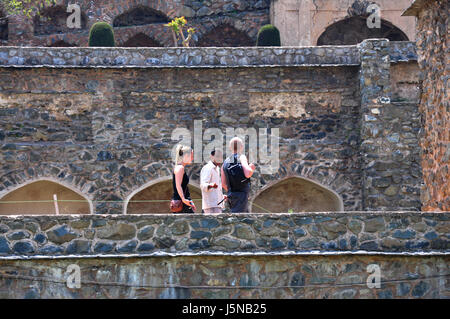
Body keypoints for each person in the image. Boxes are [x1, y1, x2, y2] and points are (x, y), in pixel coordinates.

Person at [221, 137, 256, 213]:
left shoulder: (225, 162)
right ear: (242, 147)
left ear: (230, 147)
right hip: (242, 195)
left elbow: (223, 184)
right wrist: (251, 168)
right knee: (239, 220)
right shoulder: (242, 157)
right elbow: (248, 173)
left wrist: (232, 191)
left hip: (231, 195)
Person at [200, 148, 227, 214]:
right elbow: (203, 185)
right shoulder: (208, 168)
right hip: (210, 205)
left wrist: (222, 196)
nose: (219, 159)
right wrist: (210, 185)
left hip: (217, 205)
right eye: (217, 156)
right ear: (211, 156)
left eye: (220, 157)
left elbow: (216, 190)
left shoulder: (217, 169)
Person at [172, 144, 196, 213]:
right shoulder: (180, 168)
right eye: (191, 156)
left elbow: (184, 187)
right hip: (181, 203)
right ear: (186, 156)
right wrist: (183, 199)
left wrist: (190, 201)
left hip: (183, 202)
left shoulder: (180, 167)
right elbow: (178, 185)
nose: (192, 158)